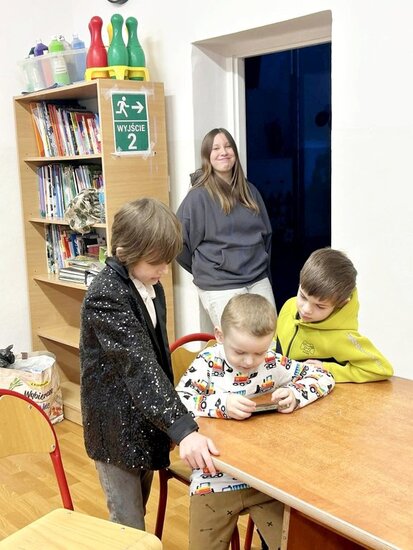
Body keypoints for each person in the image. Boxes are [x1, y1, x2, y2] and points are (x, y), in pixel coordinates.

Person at [79, 198, 219, 531]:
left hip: (144, 419)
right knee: (127, 527)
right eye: (157, 262)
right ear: (125, 252)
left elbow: (157, 357)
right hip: (115, 429)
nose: (165, 271)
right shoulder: (106, 295)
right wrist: (183, 429)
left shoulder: (151, 285)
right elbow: (139, 366)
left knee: (138, 510)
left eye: (167, 261)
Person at [175, 293, 335, 550]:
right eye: (239, 352)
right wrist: (221, 404)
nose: (249, 362)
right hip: (213, 480)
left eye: (259, 352)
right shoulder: (207, 363)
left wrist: (295, 394)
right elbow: (176, 404)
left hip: (267, 481)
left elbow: (322, 376)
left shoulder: (271, 362)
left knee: (295, 542)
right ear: (220, 336)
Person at [176, 127, 275, 327]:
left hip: (257, 279)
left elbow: (266, 237)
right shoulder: (198, 197)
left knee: (269, 338)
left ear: (235, 153)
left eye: (228, 146)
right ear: (207, 156)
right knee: (236, 342)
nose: (223, 152)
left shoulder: (250, 191)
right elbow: (178, 244)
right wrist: (206, 269)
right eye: (216, 148)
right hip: (220, 285)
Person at [276, 247, 393, 383]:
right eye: (303, 296)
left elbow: (381, 369)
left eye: (320, 306)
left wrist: (328, 369)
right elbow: (274, 338)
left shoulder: (342, 336)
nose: (306, 309)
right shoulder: (289, 305)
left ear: (341, 304)